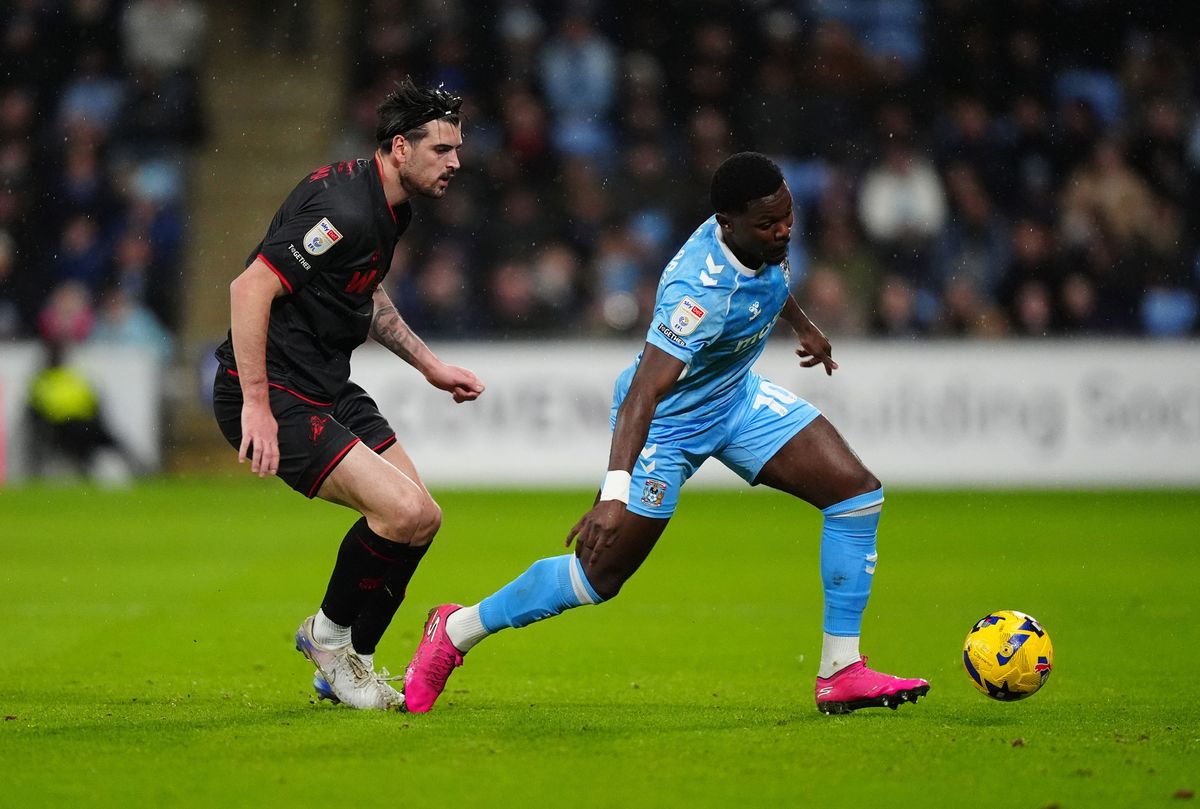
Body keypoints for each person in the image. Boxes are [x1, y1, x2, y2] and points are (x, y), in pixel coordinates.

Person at [402, 152, 929, 715]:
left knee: (856, 494)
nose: (783, 233)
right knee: (598, 577)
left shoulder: (759, 233)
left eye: (787, 220)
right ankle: (456, 630)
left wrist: (803, 325)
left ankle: (842, 671)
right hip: (668, 426)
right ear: (728, 224)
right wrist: (613, 494)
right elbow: (642, 397)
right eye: (768, 225)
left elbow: (769, 280)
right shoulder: (695, 294)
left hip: (736, 399)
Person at [211, 78, 484, 711]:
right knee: (401, 513)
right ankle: (329, 643)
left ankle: (346, 662)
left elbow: (363, 293)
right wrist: (255, 401)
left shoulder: (386, 206)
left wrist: (428, 365)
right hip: (278, 390)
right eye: (442, 150)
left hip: (326, 382)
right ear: (399, 147)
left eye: (457, 149)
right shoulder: (345, 210)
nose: (456, 163)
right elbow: (249, 289)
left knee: (424, 519)